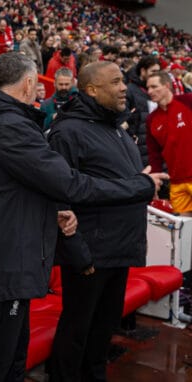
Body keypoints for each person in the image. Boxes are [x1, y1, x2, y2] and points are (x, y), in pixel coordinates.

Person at [0, 52, 167, 381]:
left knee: (10, 362)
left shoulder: (5, 124)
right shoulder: (10, 128)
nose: (124, 88)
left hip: (11, 261)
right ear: (29, 83)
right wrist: (139, 186)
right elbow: (69, 183)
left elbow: (29, 186)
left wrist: (54, 211)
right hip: (4, 264)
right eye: (115, 81)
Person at [46, 61, 161, 382]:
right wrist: (77, 252)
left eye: (123, 81)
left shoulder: (114, 127)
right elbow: (61, 196)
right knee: (77, 331)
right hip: (91, 253)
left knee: (102, 331)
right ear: (92, 90)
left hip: (120, 248)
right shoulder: (68, 131)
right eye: (115, 82)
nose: (124, 87)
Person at [146, 71, 192, 215]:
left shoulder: (188, 101)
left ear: (167, 86)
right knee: (184, 233)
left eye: (154, 87)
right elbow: (154, 155)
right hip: (177, 183)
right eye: (148, 88)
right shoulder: (151, 119)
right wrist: (154, 182)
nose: (150, 91)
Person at [124, 55, 161, 166]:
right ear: (143, 70)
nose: (156, 74)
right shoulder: (129, 90)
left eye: (158, 71)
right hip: (139, 150)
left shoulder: (158, 89)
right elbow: (123, 120)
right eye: (153, 71)